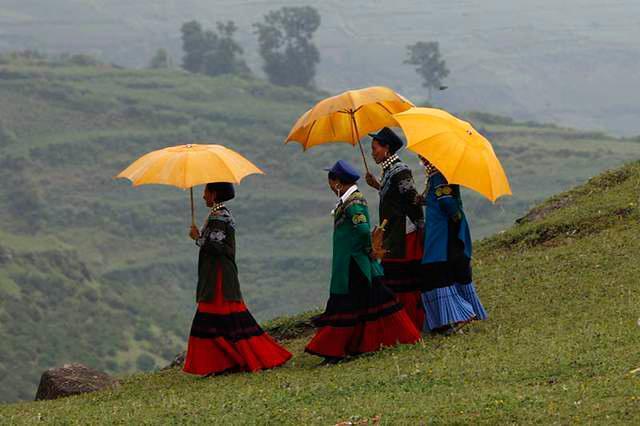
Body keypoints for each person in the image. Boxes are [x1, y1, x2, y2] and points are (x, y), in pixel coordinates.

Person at [305, 160, 421, 363]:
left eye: (331, 182)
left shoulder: (354, 202)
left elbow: (361, 229)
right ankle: (359, 345)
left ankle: (334, 350)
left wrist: (369, 250)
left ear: (338, 182)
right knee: (367, 303)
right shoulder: (348, 201)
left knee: (348, 305)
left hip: (355, 264)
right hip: (350, 263)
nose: (330, 187)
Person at [183, 182, 291, 376]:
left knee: (212, 319)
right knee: (224, 321)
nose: (203, 196)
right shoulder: (220, 214)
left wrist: (197, 239)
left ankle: (230, 361)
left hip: (218, 278)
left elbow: (217, 247)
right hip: (219, 276)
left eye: (206, 192)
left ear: (214, 194)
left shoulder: (218, 217)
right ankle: (226, 362)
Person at [365, 127, 426, 330]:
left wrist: (420, 227)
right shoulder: (389, 171)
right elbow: (394, 196)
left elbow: (410, 200)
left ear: (387, 149)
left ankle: (411, 322)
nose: (372, 152)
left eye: (375, 148)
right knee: (394, 276)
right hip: (395, 232)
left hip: (404, 233)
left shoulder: (401, 171)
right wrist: (377, 186)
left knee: (402, 278)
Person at [418, 156, 488, 334]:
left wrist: (455, 217)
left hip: (441, 232)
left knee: (439, 271)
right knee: (449, 270)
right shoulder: (438, 173)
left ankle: (457, 316)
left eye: (423, 155)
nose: (421, 158)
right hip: (443, 230)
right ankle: (456, 316)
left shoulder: (438, 174)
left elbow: (447, 201)